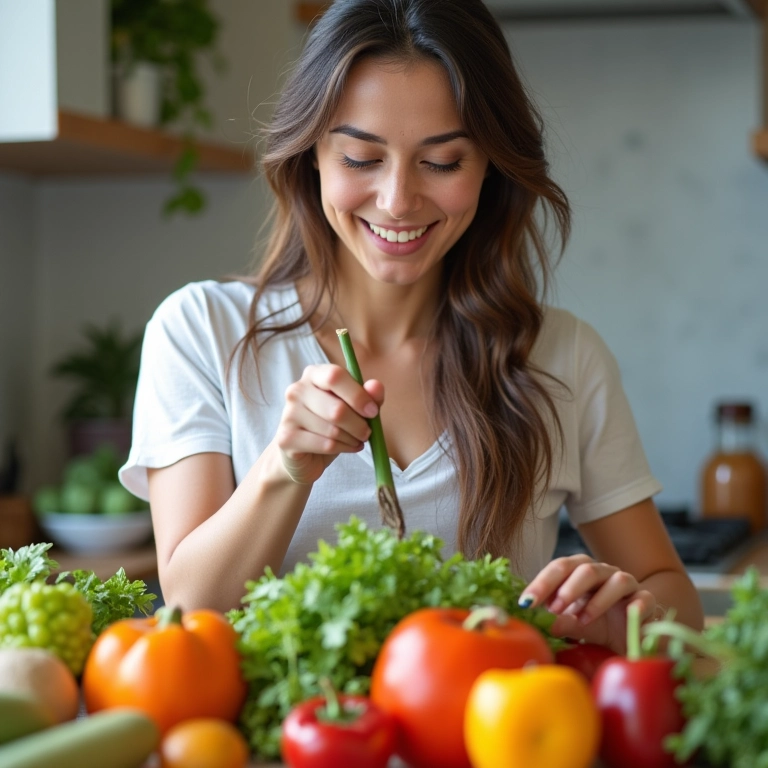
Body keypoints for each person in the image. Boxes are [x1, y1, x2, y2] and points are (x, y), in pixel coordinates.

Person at [120, 0, 703, 651]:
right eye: (361, 159)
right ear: (312, 155)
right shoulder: (203, 331)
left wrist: (625, 614)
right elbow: (190, 606)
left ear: (490, 166)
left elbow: (670, 588)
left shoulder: (563, 357)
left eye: (443, 161)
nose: (398, 200)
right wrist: (282, 470)